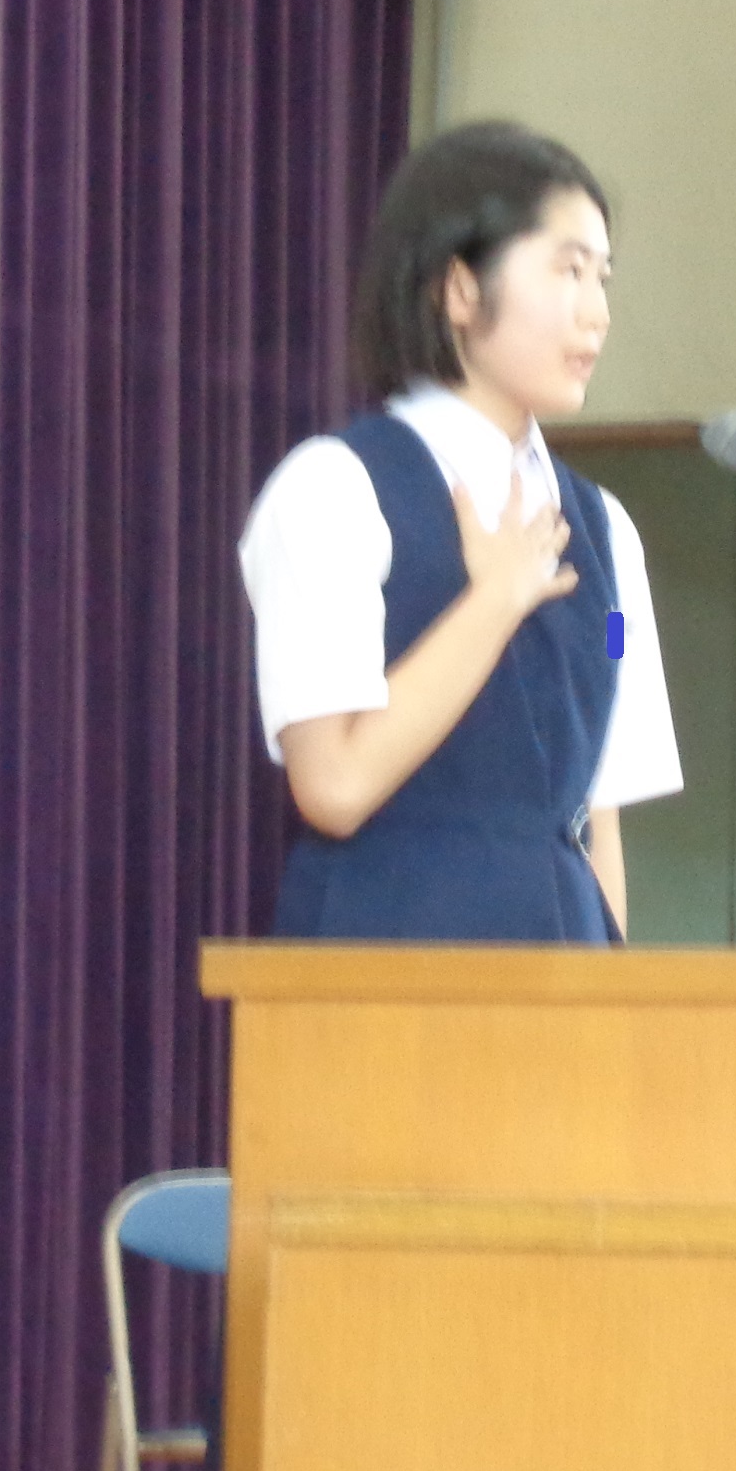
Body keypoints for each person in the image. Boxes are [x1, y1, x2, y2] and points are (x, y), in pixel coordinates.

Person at [239, 121, 683, 941]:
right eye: (568, 271)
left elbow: (601, 809)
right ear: (459, 290)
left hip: (563, 959)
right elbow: (333, 786)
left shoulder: (608, 533)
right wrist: (494, 603)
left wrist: (617, 995)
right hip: (386, 952)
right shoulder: (334, 489)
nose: (597, 314)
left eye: (603, 277)